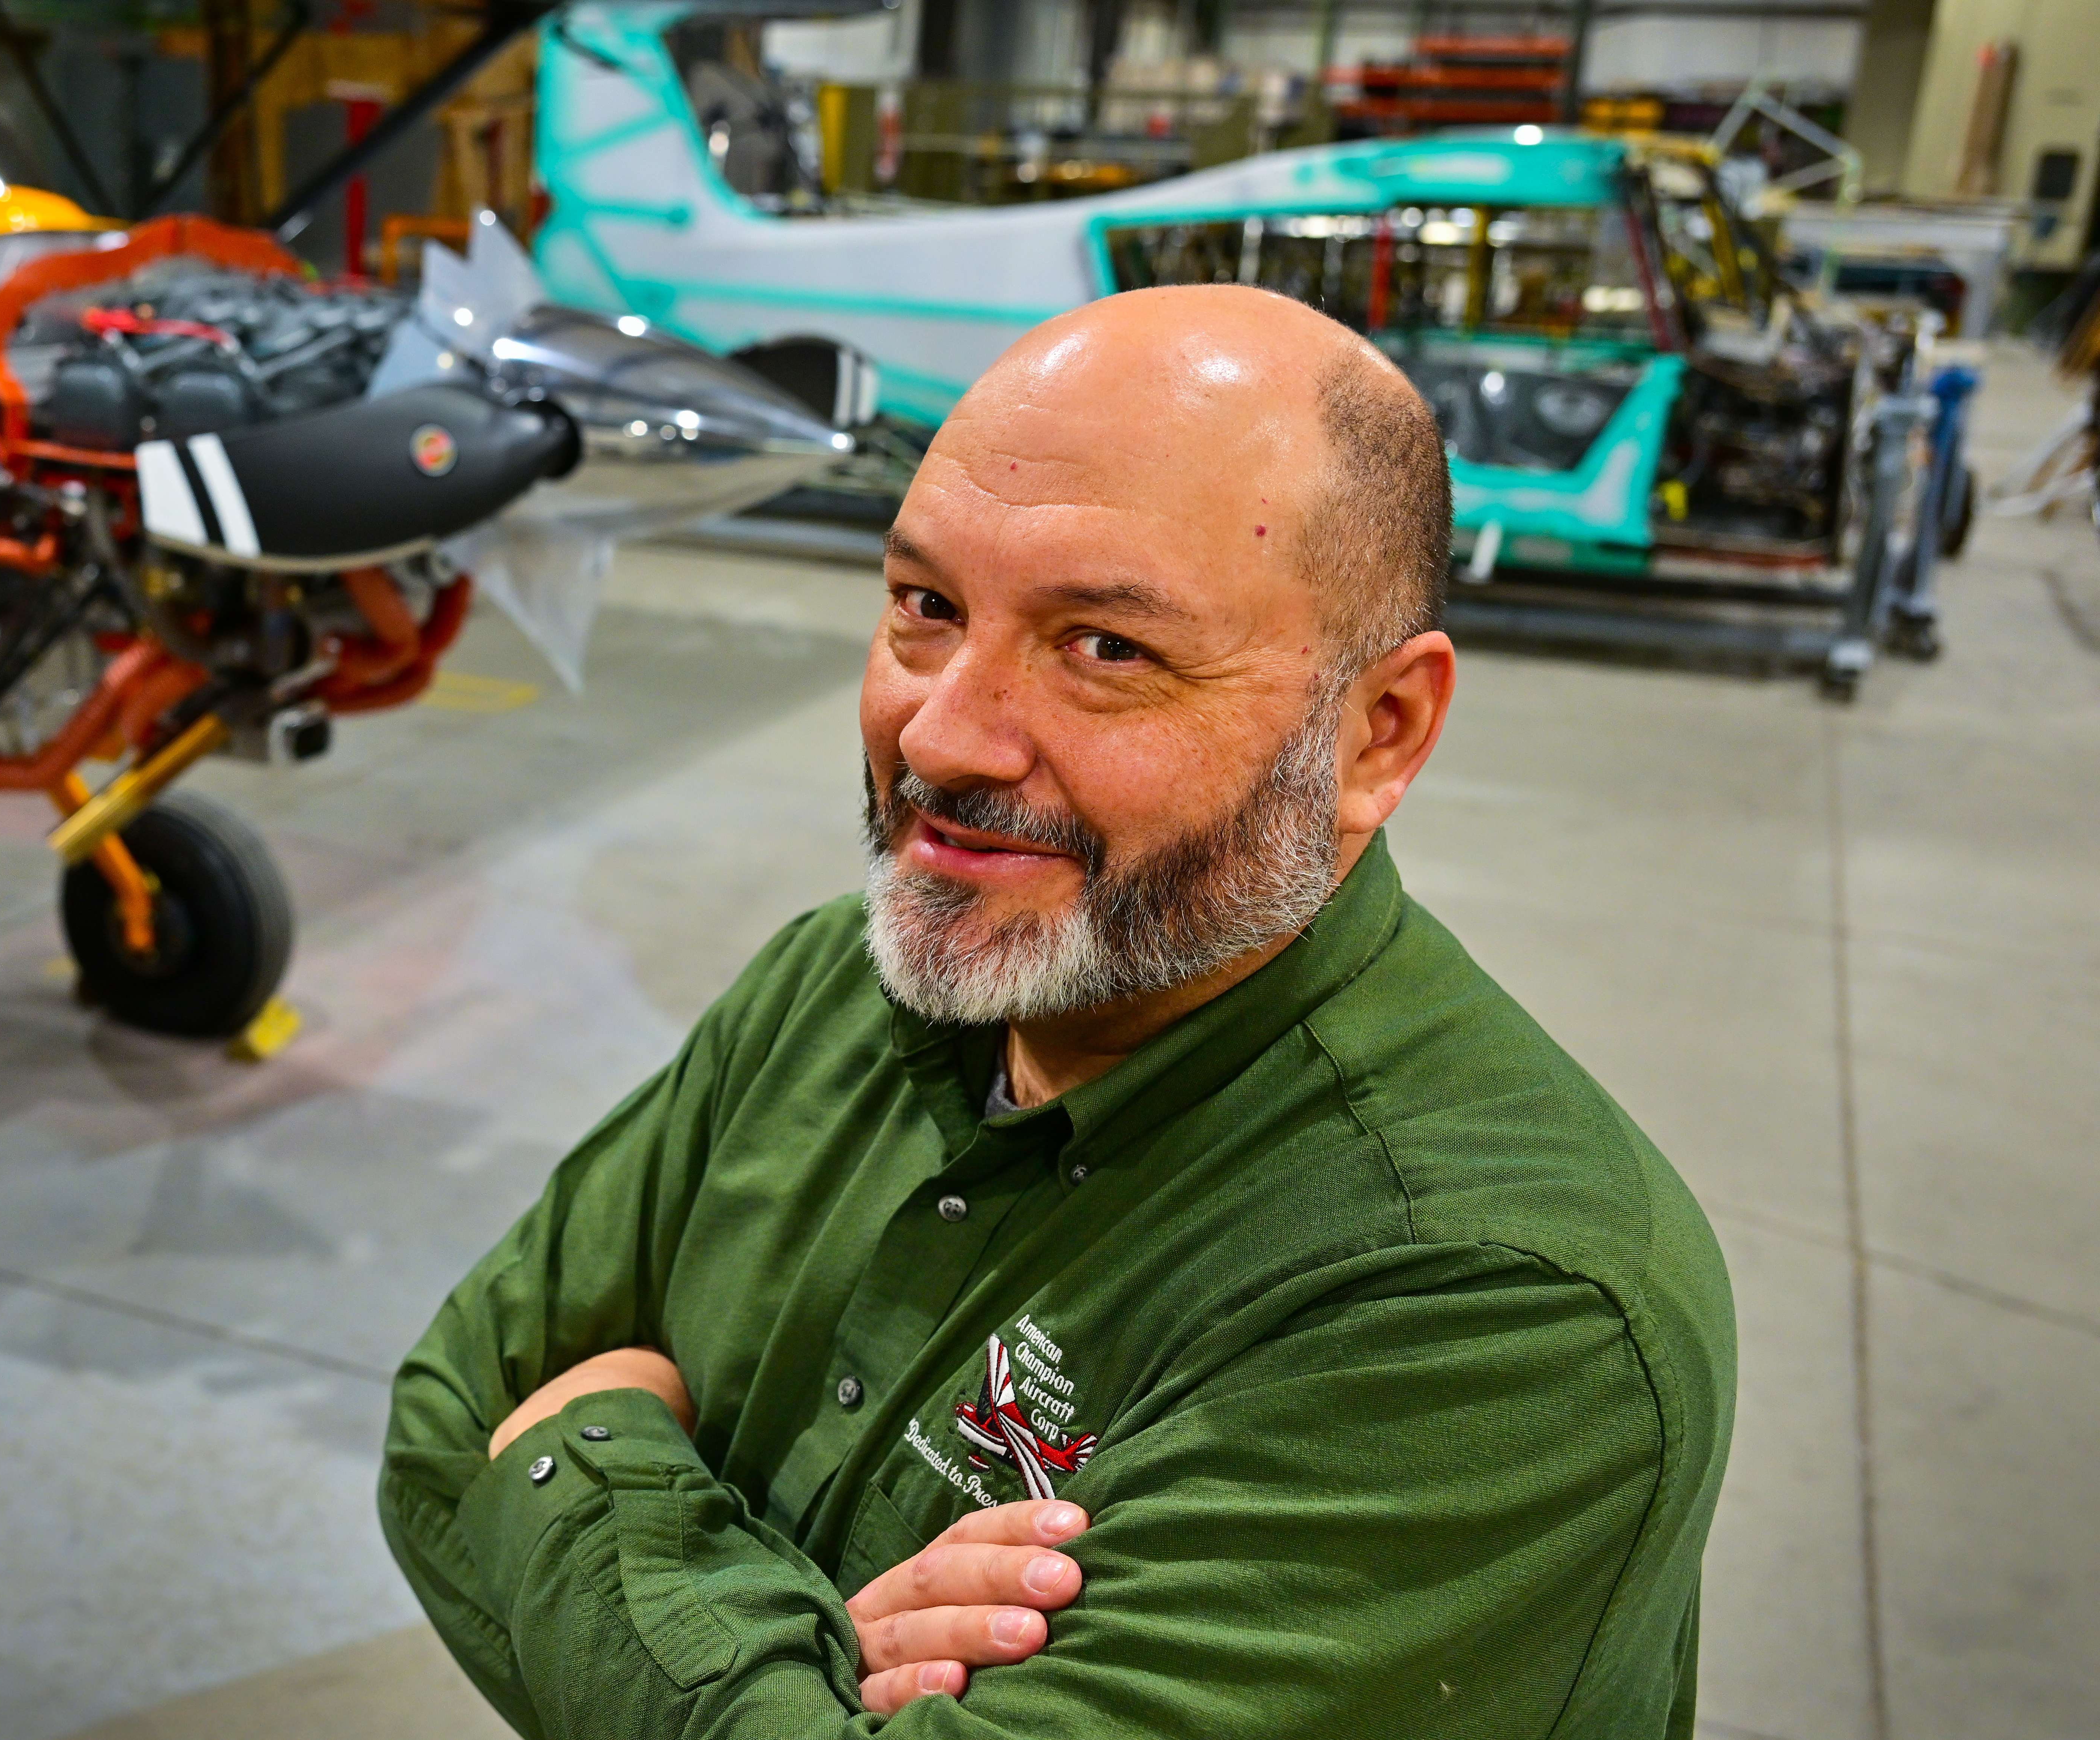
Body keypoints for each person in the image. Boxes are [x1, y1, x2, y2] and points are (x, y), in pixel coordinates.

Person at [377, 285, 1735, 1738]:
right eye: (927, 607)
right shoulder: (825, 994)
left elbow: (512, 1459)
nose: (944, 734)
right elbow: (445, 1433)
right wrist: (811, 1676)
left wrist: (587, 1475)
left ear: (1376, 731)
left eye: (1105, 647)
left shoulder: (1502, 1310)